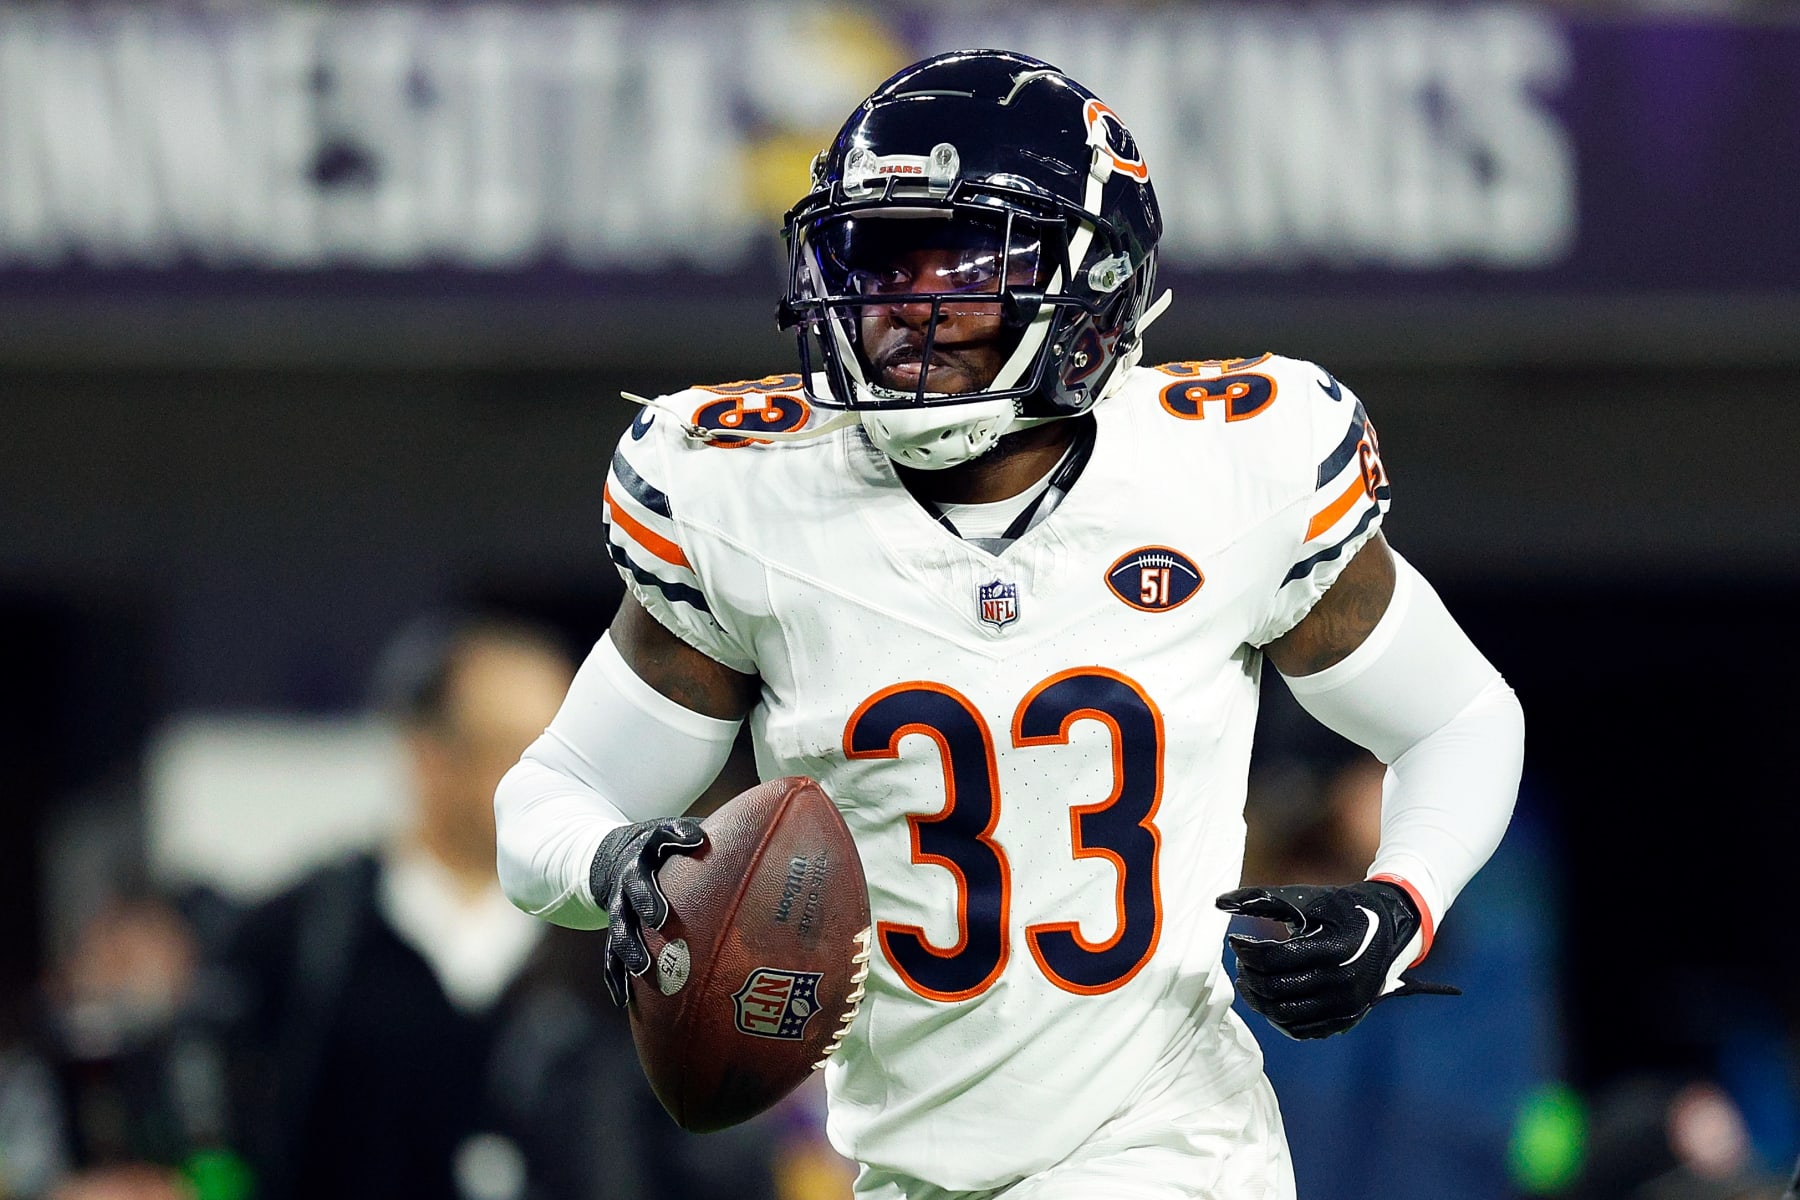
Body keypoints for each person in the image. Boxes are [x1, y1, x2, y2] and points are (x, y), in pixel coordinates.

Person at [495, 50, 1525, 1200]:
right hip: (903, 1171)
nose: (908, 303)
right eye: (881, 256)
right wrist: (615, 859)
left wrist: (1402, 903)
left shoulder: (1237, 466)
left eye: (964, 255)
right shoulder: (744, 500)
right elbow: (544, 805)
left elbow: (1461, 717)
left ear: (1093, 281)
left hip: (1169, 1154)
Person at [222, 615, 780, 1200]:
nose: (566, 778)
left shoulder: (634, 936)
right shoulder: (309, 935)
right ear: (429, 756)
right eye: (525, 750)